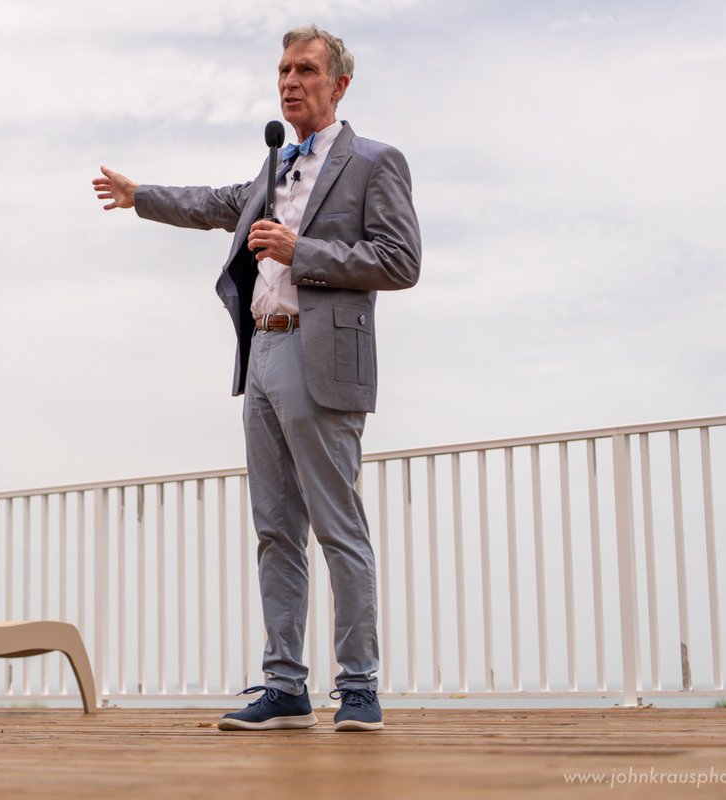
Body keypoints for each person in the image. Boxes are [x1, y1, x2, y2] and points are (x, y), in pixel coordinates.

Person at [92, 24, 420, 732]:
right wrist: (139, 194)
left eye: (304, 69)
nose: (289, 81)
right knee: (275, 531)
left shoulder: (375, 161)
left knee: (338, 527)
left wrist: (305, 250)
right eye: (282, 70)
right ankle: (286, 686)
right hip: (263, 355)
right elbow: (216, 204)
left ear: (339, 84)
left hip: (323, 356)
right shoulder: (275, 167)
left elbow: (400, 261)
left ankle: (358, 687)